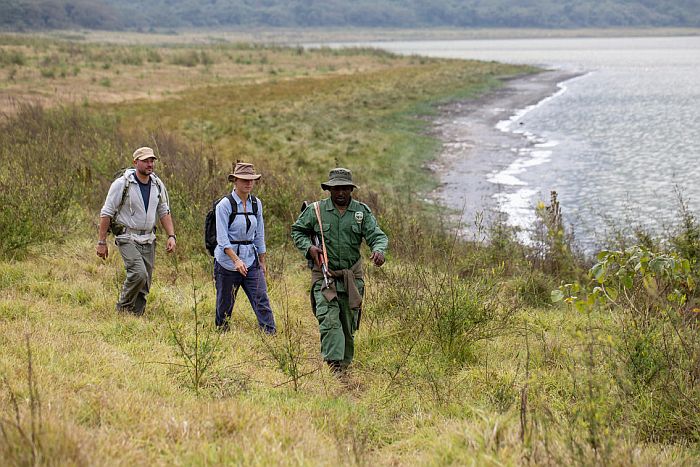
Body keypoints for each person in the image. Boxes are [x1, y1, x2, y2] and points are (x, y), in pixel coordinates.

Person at [291, 168, 388, 373]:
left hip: (351, 278)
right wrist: (309, 248)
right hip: (325, 276)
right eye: (336, 189)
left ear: (351, 189)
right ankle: (333, 366)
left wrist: (378, 251)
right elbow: (297, 230)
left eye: (345, 188)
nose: (341, 193)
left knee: (347, 324)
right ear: (329, 189)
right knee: (329, 319)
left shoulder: (361, 213)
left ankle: (344, 366)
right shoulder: (316, 210)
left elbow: (377, 236)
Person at [96, 146, 176, 315]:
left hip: (149, 238)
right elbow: (106, 213)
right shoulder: (122, 184)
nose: (150, 164)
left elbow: (164, 210)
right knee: (138, 274)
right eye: (145, 161)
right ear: (135, 162)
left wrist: (171, 235)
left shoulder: (157, 184)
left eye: (152, 161)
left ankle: (136, 316)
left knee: (145, 281)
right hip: (127, 236)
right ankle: (123, 308)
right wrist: (101, 242)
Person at [214, 162, 276, 334]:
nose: (248, 183)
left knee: (261, 298)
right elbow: (222, 238)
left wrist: (262, 261)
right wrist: (235, 260)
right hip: (227, 263)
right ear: (235, 180)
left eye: (252, 180)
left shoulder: (256, 204)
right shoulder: (224, 205)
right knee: (225, 304)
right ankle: (221, 335)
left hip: (251, 260)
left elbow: (259, 234)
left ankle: (270, 334)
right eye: (244, 180)